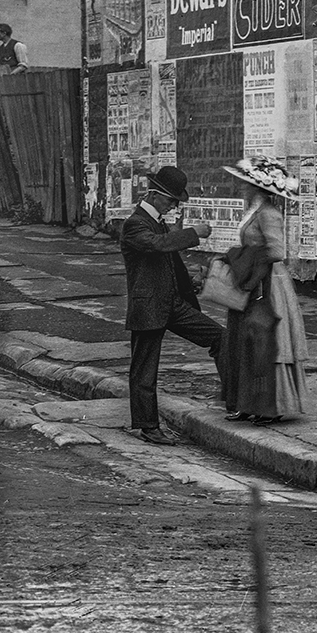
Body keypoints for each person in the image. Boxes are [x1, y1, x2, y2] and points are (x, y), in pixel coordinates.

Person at [118, 165, 223, 446]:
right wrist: (193, 233)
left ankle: (234, 400)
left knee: (220, 337)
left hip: (172, 304)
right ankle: (146, 426)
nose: (173, 205)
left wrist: (192, 280)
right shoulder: (135, 224)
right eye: (170, 200)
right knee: (144, 370)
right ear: (154, 195)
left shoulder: (158, 222)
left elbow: (167, 262)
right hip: (150, 306)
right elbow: (156, 245)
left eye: (175, 201)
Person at [220, 156, 306, 423]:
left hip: (268, 283)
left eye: (247, 185)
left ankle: (272, 405)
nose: (242, 189)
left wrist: (245, 258)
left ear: (259, 189)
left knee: (266, 340)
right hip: (254, 280)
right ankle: (248, 403)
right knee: (246, 341)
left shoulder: (268, 213)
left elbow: (278, 250)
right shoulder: (255, 212)